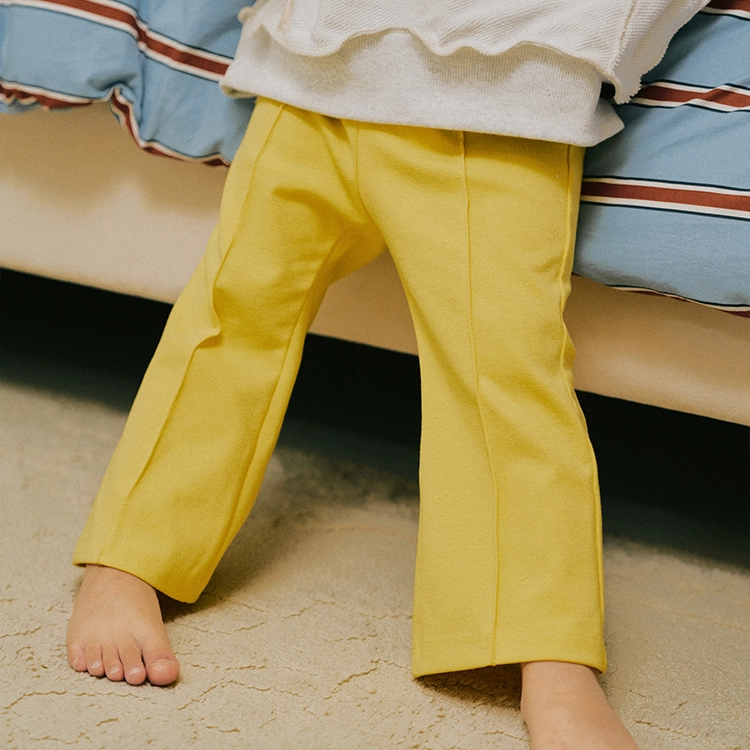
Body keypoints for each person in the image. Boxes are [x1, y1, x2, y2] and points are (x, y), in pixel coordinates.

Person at [66, 2, 707, 747]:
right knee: (231, 315)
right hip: (311, 76)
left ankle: (552, 654)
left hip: (503, 93)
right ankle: (128, 558)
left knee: (503, 371)